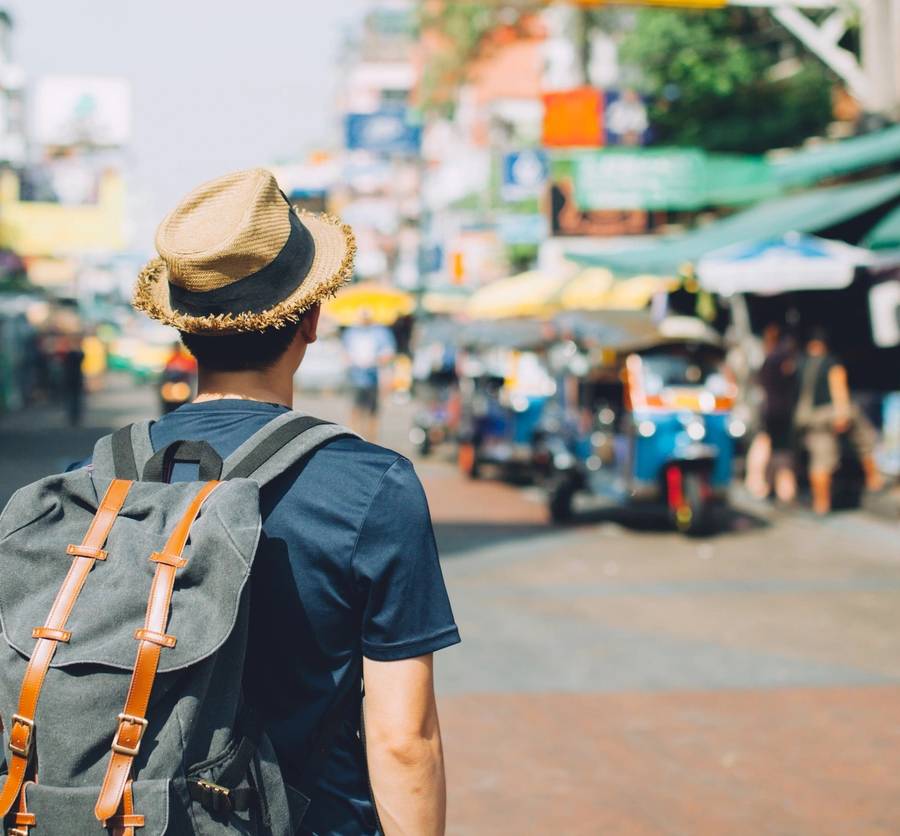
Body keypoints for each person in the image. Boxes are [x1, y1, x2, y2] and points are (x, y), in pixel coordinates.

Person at [77, 169, 459, 835]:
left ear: (183, 330)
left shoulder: (98, 479)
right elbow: (404, 739)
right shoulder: (371, 486)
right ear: (310, 319)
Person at [795, 328, 884, 514]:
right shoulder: (831, 363)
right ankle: (874, 479)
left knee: (820, 459)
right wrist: (842, 413)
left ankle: (821, 504)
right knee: (865, 441)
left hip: (809, 419)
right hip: (830, 413)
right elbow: (839, 387)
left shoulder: (801, 363)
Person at [745, 324, 798, 503]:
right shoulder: (779, 359)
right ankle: (779, 488)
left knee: (770, 447)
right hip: (778, 411)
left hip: (769, 410)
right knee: (778, 449)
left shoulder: (767, 359)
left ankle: (767, 485)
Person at [342, 308, 396, 441]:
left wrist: (374, 360)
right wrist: (353, 361)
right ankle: (353, 439)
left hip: (374, 376)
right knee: (355, 410)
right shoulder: (351, 332)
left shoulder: (381, 332)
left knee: (373, 412)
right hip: (355, 376)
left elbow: (389, 353)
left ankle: (371, 441)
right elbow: (344, 352)